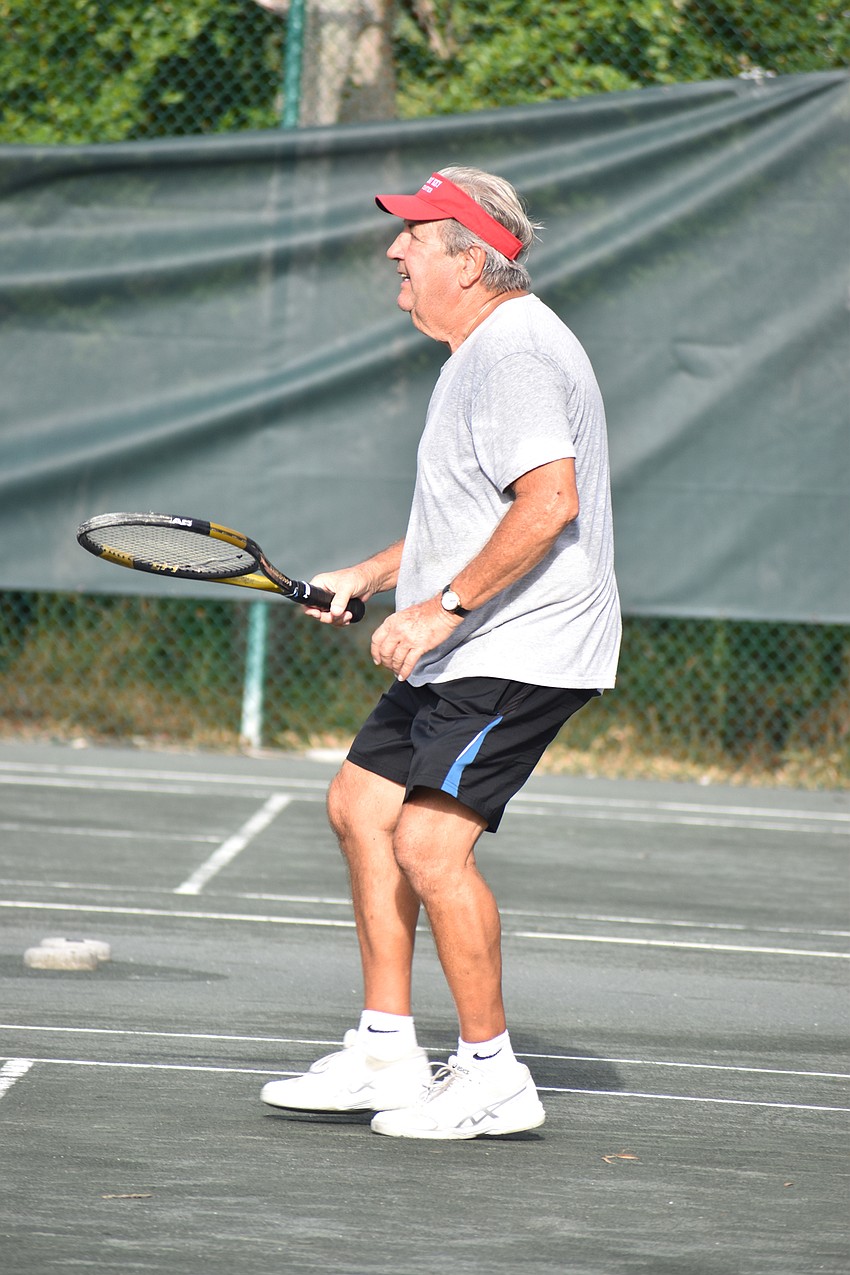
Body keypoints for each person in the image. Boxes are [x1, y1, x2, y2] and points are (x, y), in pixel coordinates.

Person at [260, 166, 621, 1139]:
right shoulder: (477, 351)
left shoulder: (513, 354)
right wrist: (377, 576)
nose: (393, 252)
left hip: (523, 642)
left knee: (426, 843)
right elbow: (476, 509)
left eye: (413, 237)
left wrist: (438, 611)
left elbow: (549, 504)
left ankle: (492, 1076)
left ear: (470, 259)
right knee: (360, 806)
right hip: (473, 635)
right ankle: (385, 1051)